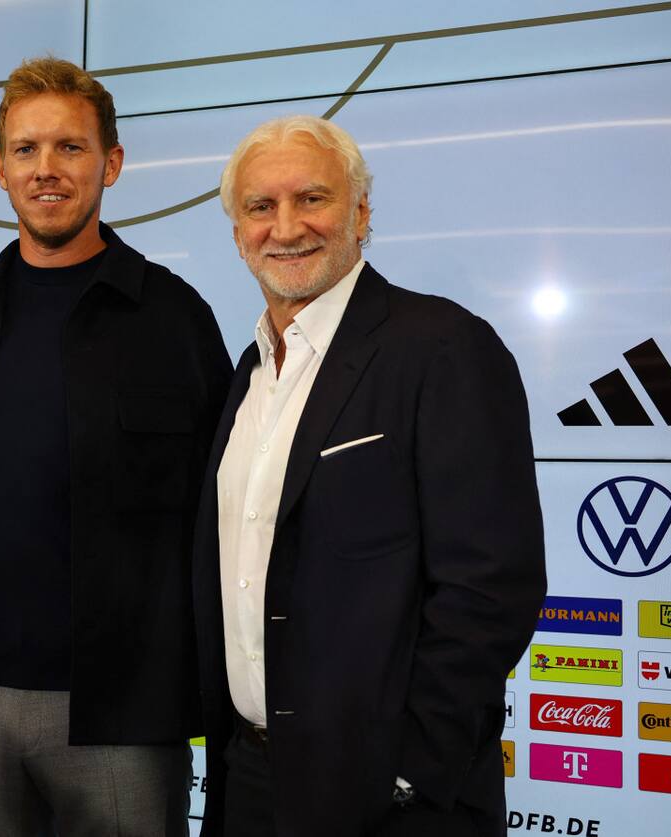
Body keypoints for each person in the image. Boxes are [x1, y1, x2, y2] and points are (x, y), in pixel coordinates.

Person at [192, 115, 546, 837]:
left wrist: (410, 769)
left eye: (312, 198)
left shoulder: (443, 347)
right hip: (253, 779)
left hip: (389, 797)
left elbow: (491, 584)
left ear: (360, 212)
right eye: (260, 207)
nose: (285, 225)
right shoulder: (252, 370)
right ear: (237, 232)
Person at [0, 57, 232, 836]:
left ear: (111, 163)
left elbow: (224, 508)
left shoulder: (175, 315)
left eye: (70, 147)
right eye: (25, 150)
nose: (46, 169)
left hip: (123, 704)